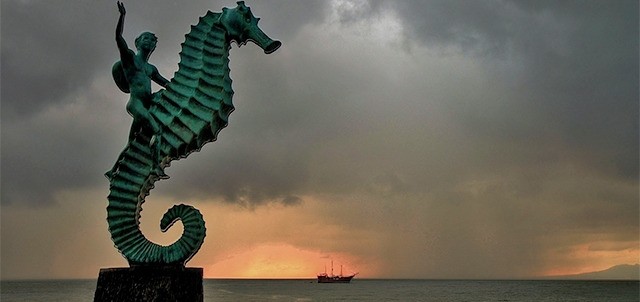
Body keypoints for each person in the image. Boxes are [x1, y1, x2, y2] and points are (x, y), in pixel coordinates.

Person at [107, 1, 169, 178]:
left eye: (152, 39)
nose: (149, 41)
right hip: (135, 104)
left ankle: (113, 171)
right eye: (146, 38)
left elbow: (165, 83)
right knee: (157, 131)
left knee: (131, 142)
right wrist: (122, 16)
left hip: (146, 104)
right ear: (137, 42)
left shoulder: (151, 69)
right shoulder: (130, 60)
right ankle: (155, 167)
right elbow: (118, 39)